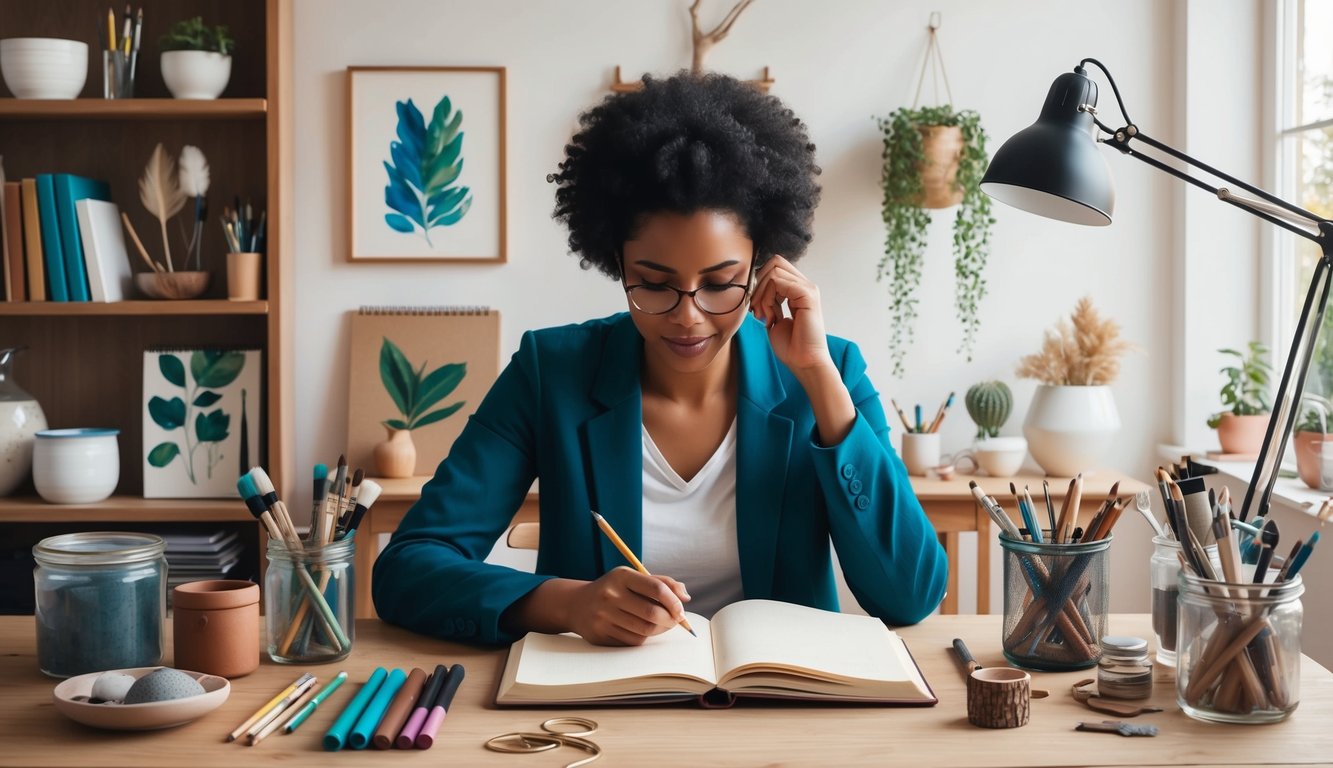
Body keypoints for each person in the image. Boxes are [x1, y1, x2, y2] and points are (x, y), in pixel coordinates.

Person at [373, 72, 947, 647]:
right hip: (601, 709)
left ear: (761, 267)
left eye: (721, 284)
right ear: (617, 265)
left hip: (780, 710)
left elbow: (910, 595)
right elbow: (409, 567)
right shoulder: (552, 371)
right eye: (653, 283)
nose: (688, 316)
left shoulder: (830, 370)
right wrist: (566, 603)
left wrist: (820, 380)